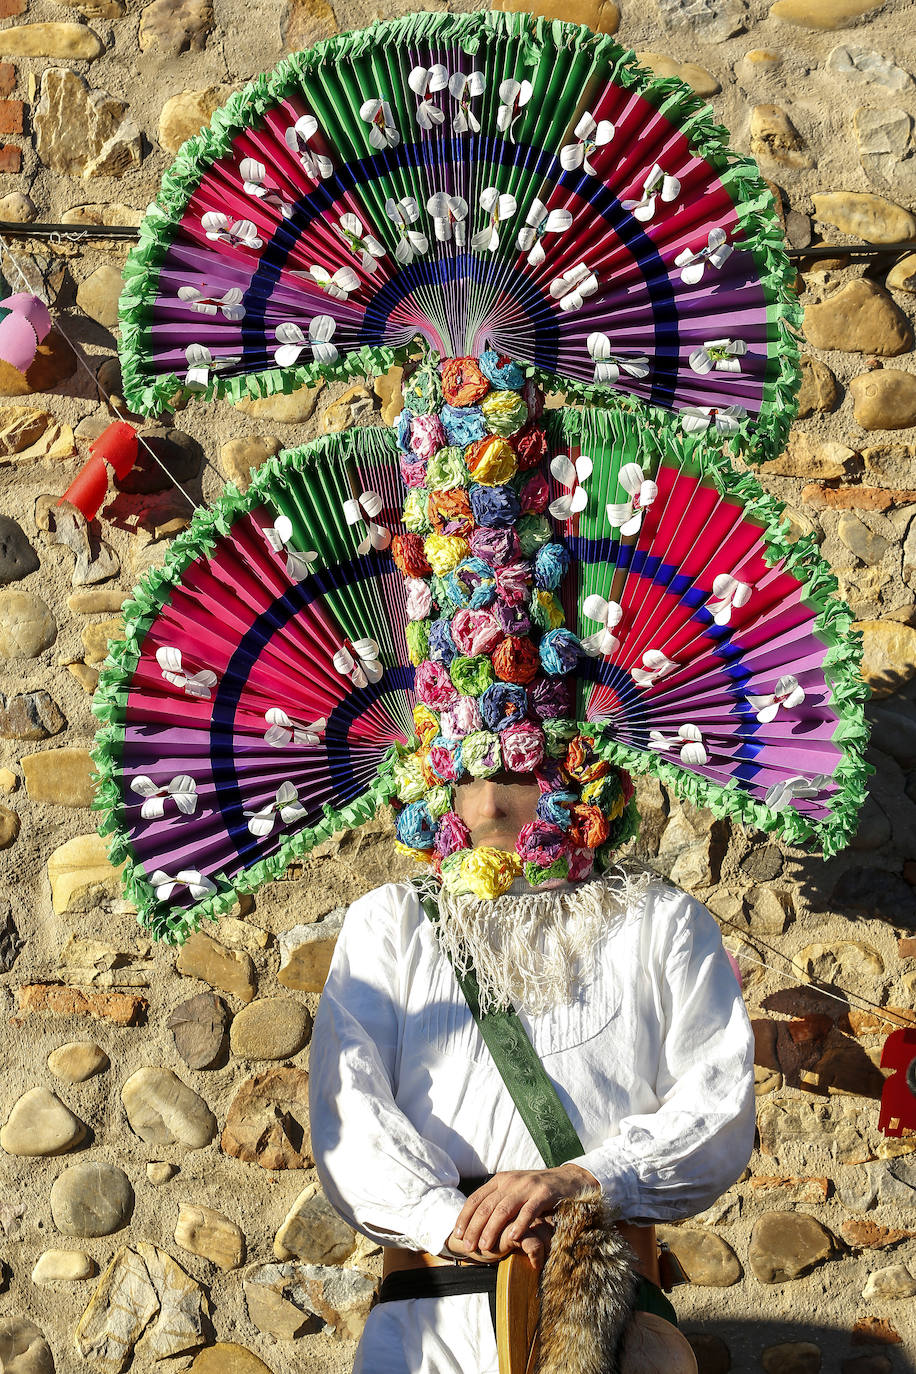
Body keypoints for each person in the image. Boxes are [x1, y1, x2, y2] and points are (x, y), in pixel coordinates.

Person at [308, 768, 756, 1374]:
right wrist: (445, 1219)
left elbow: (717, 1105)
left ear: (579, 775)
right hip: (428, 1330)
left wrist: (587, 1180)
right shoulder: (392, 922)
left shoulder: (660, 920)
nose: (489, 805)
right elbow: (347, 1110)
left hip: (612, 1322)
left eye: (518, 775)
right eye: (464, 776)